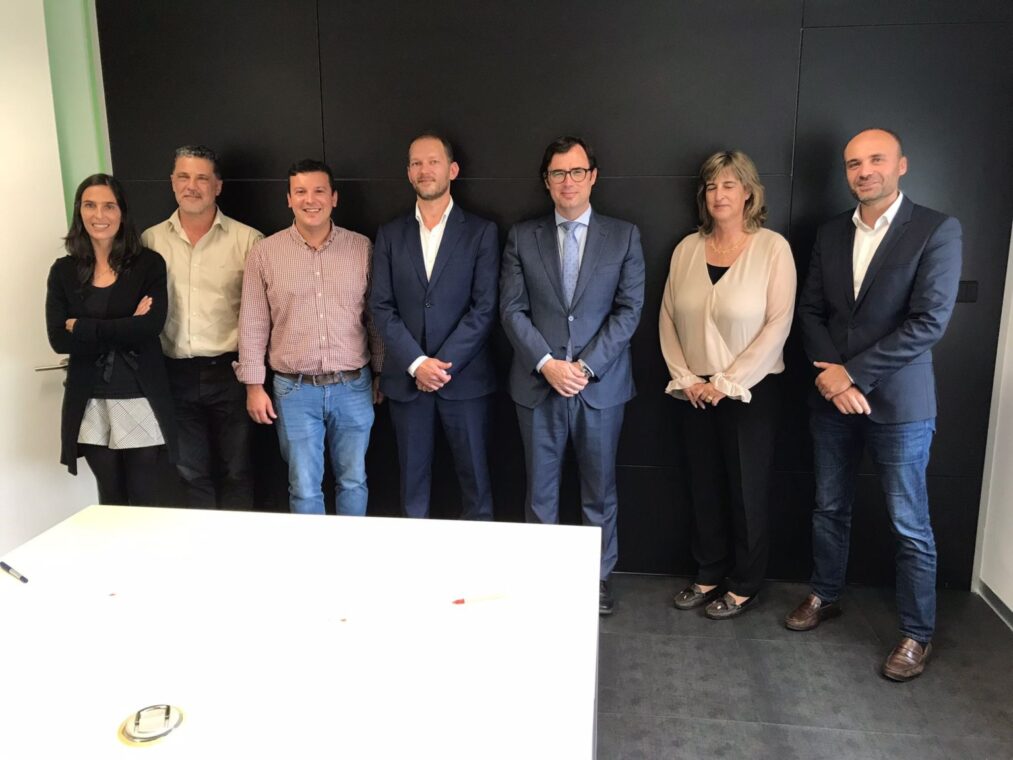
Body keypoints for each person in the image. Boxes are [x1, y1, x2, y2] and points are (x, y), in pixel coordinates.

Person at [788, 128, 962, 681]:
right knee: (828, 507)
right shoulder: (830, 232)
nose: (864, 171)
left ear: (901, 165)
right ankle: (825, 594)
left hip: (900, 405)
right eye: (853, 163)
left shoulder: (936, 229)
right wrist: (834, 380)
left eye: (876, 160)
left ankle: (916, 634)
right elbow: (810, 311)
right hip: (831, 399)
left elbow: (928, 321)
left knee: (909, 524)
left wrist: (852, 374)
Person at [500, 136, 645, 615]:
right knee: (539, 494)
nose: (568, 181)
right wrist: (547, 363)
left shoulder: (623, 236)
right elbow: (512, 310)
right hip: (537, 385)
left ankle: (595, 579)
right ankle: (543, 579)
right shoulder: (522, 237)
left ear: (592, 176)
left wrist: (583, 367)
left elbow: (629, 310)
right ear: (546, 181)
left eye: (577, 171)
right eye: (558, 173)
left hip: (599, 387)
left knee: (598, 492)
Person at [659, 150, 796, 619]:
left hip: (751, 393)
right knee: (704, 487)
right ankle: (709, 572)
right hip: (693, 393)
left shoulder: (772, 248)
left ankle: (745, 583)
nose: (719, 194)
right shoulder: (686, 249)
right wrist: (686, 378)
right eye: (712, 186)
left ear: (749, 193)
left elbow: (778, 324)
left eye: (730, 185)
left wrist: (728, 382)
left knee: (746, 491)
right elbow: (667, 318)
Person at [235, 159, 384, 516]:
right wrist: (253, 385)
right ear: (289, 199)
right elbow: (253, 322)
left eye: (319, 191)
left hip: (354, 386)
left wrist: (381, 372)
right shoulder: (265, 253)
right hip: (294, 390)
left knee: (354, 480)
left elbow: (375, 317)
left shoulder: (361, 248)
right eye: (300, 191)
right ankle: (310, 552)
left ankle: (348, 548)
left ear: (334, 198)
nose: (310, 199)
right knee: (303, 487)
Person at [370, 134, 498, 520]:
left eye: (433, 162)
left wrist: (440, 367)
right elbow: (381, 306)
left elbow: (484, 308)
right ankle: (416, 557)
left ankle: (478, 557)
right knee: (412, 486)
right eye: (416, 163)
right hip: (407, 383)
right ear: (408, 173)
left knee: (476, 484)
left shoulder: (481, 232)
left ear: (452, 170)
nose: (424, 170)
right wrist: (417, 364)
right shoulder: (390, 234)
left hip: (465, 381)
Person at [141, 146, 263, 509]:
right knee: (190, 473)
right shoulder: (150, 241)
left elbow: (260, 315)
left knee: (237, 471)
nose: (191, 186)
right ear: (172, 182)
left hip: (230, 373)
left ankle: (236, 542)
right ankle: (203, 543)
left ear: (218, 186)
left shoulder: (248, 241)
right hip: (173, 374)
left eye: (201, 178)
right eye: (183, 176)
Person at [45, 174, 177, 504]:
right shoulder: (63, 271)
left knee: (144, 497)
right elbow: (59, 340)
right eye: (90, 205)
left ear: (122, 212)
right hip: (89, 398)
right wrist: (127, 323)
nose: (99, 215)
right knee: (110, 499)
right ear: (79, 211)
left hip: (140, 394)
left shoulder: (148, 264)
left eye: (109, 206)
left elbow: (150, 326)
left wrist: (84, 328)